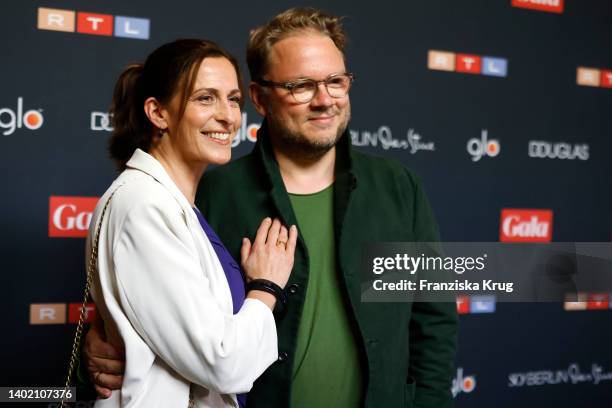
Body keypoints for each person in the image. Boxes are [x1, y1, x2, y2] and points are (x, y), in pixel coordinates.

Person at [85, 8, 458, 407]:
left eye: (336, 81)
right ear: (260, 99)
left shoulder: (399, 187)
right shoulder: (211, 191)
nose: (324, 100)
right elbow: (166, 309)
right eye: (301, 85)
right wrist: (108, 337)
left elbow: (432, 319)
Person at [86, 38, 297, 407]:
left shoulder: (175, 203)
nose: (228, 116)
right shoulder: (143, 205)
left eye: (233, 99)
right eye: (205, 98)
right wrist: (265, 288)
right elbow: (222, 362)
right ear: (158, 112)